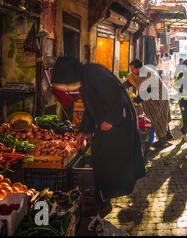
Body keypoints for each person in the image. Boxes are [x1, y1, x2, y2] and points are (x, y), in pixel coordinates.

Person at [51, 56, 146, 217]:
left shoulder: (93, 74)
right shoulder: (84, 78)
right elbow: (90, 107)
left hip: (119, 122)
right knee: (100, 156)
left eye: (66, 84)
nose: (67, 88)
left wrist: (110, 119)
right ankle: (102, 199)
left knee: (108, 157)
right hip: (108, 124)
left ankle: (104, 200)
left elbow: (116, 94)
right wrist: (84, 130)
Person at [123, 59, 173, 148]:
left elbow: (148, 90)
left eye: (133, 69)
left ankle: (163, 141)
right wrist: (120, 87)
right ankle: (167, 136)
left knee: (158, 117)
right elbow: (128, 83)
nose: (131, 71)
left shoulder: (149, 73)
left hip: (159, 97)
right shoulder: (134, 75)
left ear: (139, 68)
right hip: (148, 100)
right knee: (160, 118)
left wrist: (136, 100)